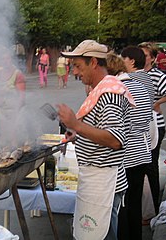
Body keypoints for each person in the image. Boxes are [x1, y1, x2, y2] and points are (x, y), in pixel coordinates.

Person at [57, 40, 135, 240]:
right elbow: (102, 131)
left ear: (93, 62)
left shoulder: (109, 94)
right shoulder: (100, 90)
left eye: (78, 66)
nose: (75, 72)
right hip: (96, 181)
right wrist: (78, 135)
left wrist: (76, 124)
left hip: (105, 184)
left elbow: (116, 139)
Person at [106, 52, 153, 240]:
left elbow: (118, 127)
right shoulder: (141, 87)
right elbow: (147, 117)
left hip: (126, 154)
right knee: (135, 203)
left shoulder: (118, 89)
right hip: (143, 151)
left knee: (122, 206)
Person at [139, 42, 166, 216]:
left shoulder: (155, 75)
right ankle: (146, 206)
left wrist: (158, 102)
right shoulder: (137, 75)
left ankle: (153, 207)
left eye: (145, 55)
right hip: (141, 126)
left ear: (152, 58)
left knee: (150, 166)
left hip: (154, 126)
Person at [0, 46, 25, 145]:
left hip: (12, 111)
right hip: (0, 110)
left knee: (13, 137)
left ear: (11, 59)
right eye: (2, 59)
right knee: (2, 137)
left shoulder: (17, 74)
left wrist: (16, 114)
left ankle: (14, 153)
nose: (5, 61)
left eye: (7, 58)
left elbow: (21, 96)